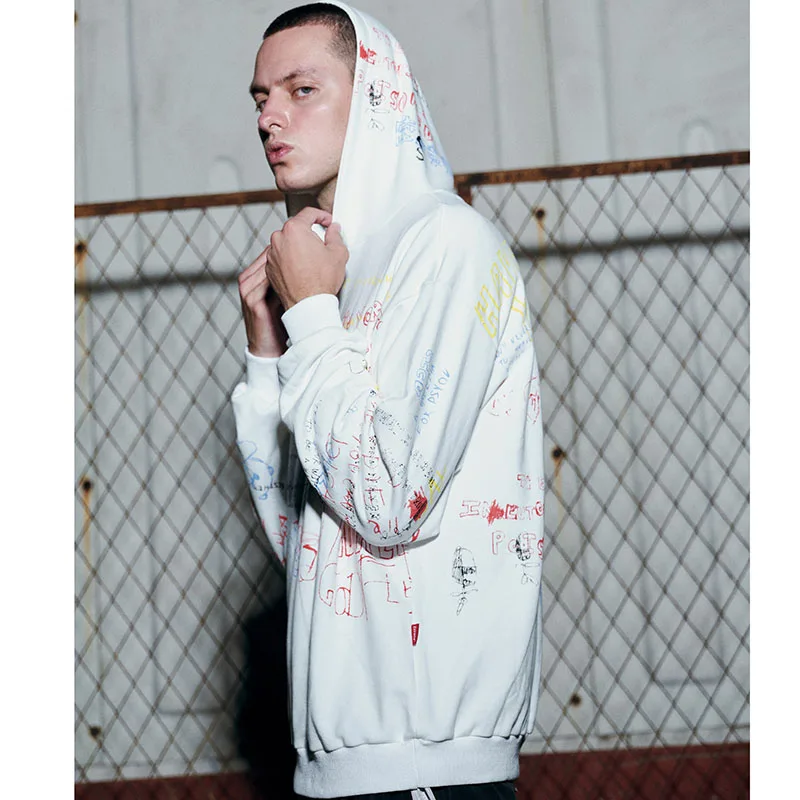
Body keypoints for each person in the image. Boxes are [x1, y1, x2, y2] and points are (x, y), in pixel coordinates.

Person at [231, 3, 545, 798]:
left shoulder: (449, 245)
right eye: (261, 97)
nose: (269, 117)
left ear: (377, 94)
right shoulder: (342, 266)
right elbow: (306, 542)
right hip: (336, 771)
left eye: (301, 89)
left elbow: (388, 502)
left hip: (425, 766)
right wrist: (269, 354)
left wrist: (311, 314)